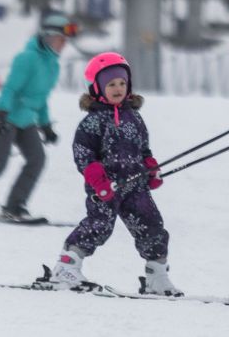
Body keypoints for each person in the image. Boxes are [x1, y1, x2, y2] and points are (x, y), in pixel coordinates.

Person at [40, 51, 177, 297]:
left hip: (135, 185)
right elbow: (83, 154)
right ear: (97, 89)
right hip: (105, 187)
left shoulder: (135, 118)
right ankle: (66, 266)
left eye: (122, 83)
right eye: (111, 84)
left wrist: (151, 167)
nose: (118, 88)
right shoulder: (92, 122)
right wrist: (98, 181)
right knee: (99, 225)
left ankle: (157, 276)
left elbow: (143, 148)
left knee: (152, 225)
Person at [0, 12, 74, 223]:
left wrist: (45, 125)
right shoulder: (27, 58)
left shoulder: (53, 65)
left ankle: (14, 205)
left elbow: (41, 98)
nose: (63, 44)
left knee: (37, 160)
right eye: (60, 39)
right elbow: (10, 88)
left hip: (26, 120)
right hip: (6, 116)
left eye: (65, 41)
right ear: (48, 37)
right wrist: (1, 113)